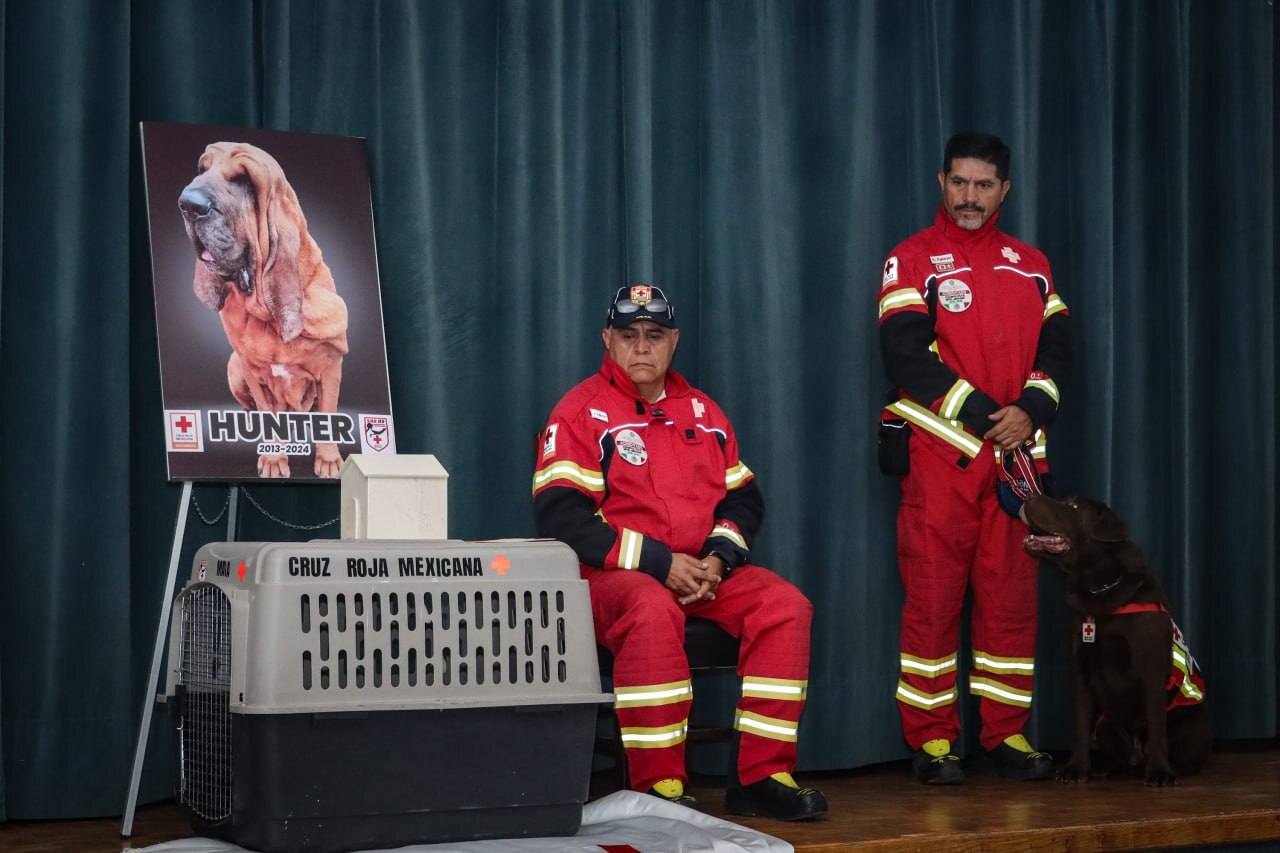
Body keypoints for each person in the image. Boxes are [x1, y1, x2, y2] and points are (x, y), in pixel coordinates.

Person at [533, 284, 828, 821]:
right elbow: (562, 516)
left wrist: (719, 558)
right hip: (611, 579)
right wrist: (661, 565)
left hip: (701, 571)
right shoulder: (580, 412)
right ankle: (657, 785)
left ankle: (762, 777)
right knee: (652, 607)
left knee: (787, 607)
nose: (641, 348)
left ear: (674, 342)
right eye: (628, 336)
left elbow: (744, 499)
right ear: (607, 340)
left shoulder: (704, 411)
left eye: (653, 335)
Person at [877, 132, 1072, 784]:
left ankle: (1005, 734)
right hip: (943, 457)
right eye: (958, 182)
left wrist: (1032, 412)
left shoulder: (1033, 263)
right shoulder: (911, 259)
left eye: (983, 184)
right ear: (942, 182)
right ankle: (932, 739)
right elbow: (906, 356)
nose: (969, 196)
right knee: (933, 600)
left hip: (1019, 470)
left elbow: (1058, 356)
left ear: (1004, 190)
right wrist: (995, 417)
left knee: (1011, 600)